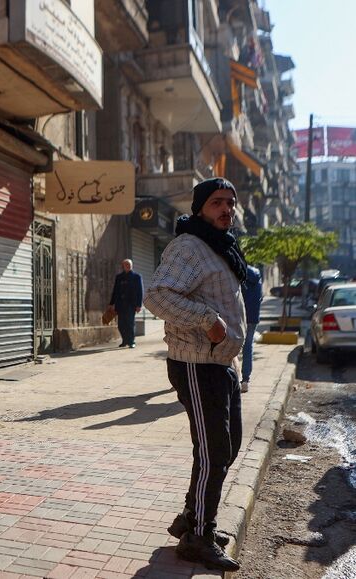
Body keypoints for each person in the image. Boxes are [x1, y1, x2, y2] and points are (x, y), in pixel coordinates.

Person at [144, 177, 246, 572]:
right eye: (218, 202)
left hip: (220, 363)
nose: (226, 209)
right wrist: (208, 321)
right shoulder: (189, 246)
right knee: (213, 451)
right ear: (201, 206)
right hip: (196, 363)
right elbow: (156, 295)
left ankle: (192, 517)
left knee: (228, 445)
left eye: (231, 203)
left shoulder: (219, 245)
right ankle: (199, 537)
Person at [107, 259, 144, 348]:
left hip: (131, 305)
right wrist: (111, 303)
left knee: (130, 323)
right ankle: (124, 340)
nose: (127, 266)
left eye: (129, 264)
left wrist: (139, 305)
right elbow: (115, 291)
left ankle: (131, 341)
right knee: (121, 325)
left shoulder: (136, 277)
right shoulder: (119, 277)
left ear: (131, 266)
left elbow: (140, 291)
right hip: (120, 305)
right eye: (126, 264)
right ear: (123, 266)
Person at [241, 265, 263, 393]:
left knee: (231, 347)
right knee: (248, 347)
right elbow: (261, 297)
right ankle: (245, 380)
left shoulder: (238, 273)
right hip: (253, 317)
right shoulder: (257, 275)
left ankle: (229, 379)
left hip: (239, 317)